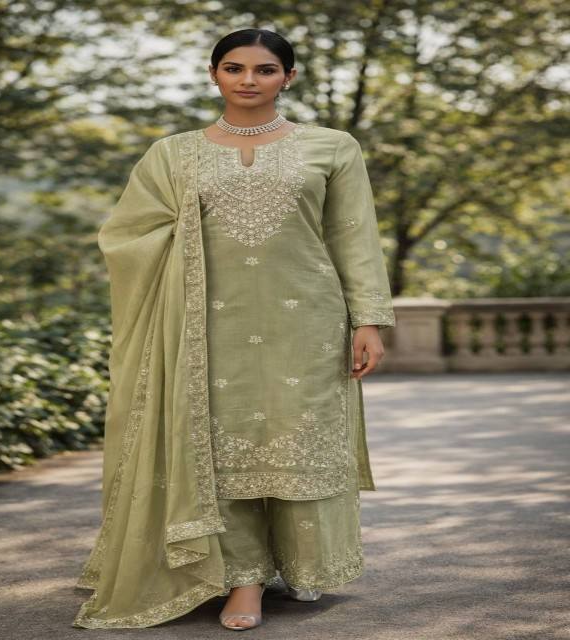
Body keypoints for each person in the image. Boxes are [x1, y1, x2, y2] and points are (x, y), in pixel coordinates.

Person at [72, 28, 395, 631]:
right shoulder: (173, 154)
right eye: (234, 68)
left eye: (265, 69)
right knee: (219, 450)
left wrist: (369, 319)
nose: (248, 80)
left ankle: (300, 565)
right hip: (202, 326)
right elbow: (126, 234)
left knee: (295, 445)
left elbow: (354, 237)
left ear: (288, 78)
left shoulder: (332, 147)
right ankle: (243, 580)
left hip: (307, 322)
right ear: (214, 74)